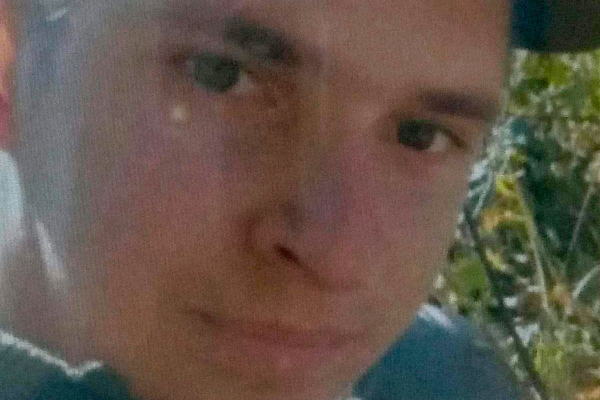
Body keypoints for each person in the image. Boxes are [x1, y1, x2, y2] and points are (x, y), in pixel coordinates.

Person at [0, 1, 598, 400]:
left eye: (422, 135)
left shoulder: (445, 379)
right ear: (11, 73)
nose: (339, 256)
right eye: (221, 76)